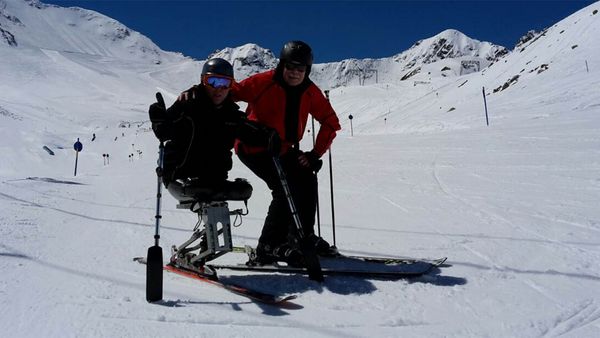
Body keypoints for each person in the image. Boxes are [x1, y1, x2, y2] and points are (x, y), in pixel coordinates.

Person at [232, 40, 341, 266]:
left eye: (300, 69)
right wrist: (197, 92)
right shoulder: (263, 82)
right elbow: (229, 91)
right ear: (282, 65)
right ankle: (269, 246)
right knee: (284, 188)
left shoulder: (310, 92)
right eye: (290, 67)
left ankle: (302, 237)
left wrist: (314, 155)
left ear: (307, 70)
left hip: (282, 149)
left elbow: (331, 123)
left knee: (305, 177)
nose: (294, 73)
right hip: (253, 146)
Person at [148, 58, 279, 201]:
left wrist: (269, 136)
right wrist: (159, 119)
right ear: (203, 81)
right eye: (213, 81)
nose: (219, 89)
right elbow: (164, 132)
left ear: (231, 85)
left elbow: (249, 132)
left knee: (244, 190)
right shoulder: (187, 105)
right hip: (181, 176)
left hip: (214, 179)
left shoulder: (231, 114)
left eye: (225, 83)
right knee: (203, 190)